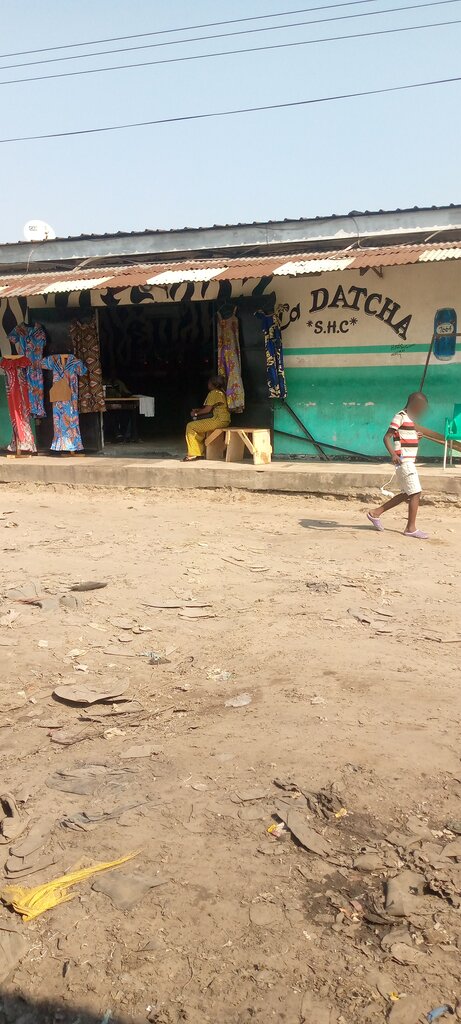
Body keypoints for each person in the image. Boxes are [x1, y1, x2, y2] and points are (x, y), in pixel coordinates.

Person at [367, 392, 429, 539]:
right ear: (413, 404)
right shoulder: (400, 416)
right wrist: (393, 455)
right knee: (416, 492)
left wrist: (416, 437)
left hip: (408, 460)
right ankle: (410, 528)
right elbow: (387, 437)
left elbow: (404, 438)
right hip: (404, 461)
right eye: (420, 407)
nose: (421, 411)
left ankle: (375, 513)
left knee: (407, 493)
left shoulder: (409, 420)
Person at [184, 375, 230, 461]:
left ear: (213, 384)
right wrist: (199, 410)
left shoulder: (214, 393)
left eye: (209, 383)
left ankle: (194, 453)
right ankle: (198, 452)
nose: (207, 384)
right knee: (198, 427)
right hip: (224, 419)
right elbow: (212, 408)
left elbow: (207, 410)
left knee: (191, 426)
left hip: (218, 420)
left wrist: (195, 414)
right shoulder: (222, 392)